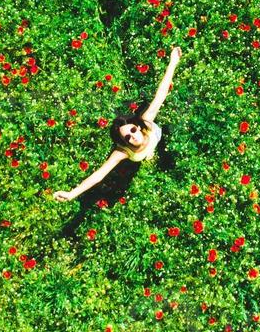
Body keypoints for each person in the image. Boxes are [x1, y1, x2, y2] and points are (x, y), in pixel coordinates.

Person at [50, 45, 182, 237]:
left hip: (159, 138)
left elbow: (161, 94)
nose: (133, 137)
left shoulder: (147, 122)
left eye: (133, 130)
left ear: (138, 125)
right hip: (141, 158)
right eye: (127, 137)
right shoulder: (122, 151)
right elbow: (99, 175)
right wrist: (72, 194)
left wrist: (172, 62)